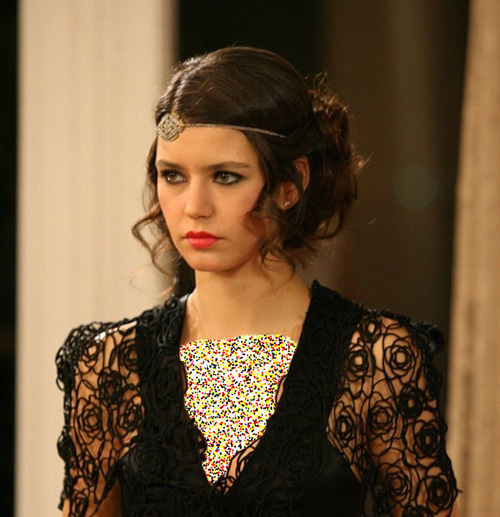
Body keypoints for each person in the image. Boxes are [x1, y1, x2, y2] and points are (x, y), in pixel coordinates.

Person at [56, 46, 459, 516]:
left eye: (225, 177)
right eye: (174, 175)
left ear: (290, 184)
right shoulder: (111, 365)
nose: (194, 207)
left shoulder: (373, 359)